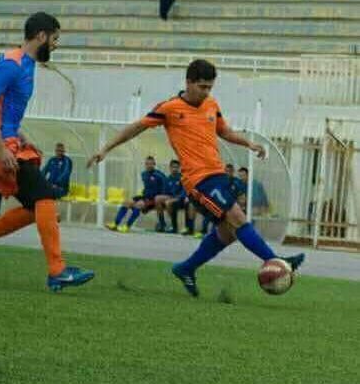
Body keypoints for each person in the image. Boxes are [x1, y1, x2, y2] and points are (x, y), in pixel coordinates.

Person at [88, 59, 304, 297]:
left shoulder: (211, 104)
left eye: (209, 87)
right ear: (188, 82)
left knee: (227, 233)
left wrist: (249, 143)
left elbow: (224, 131)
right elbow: (136, 127)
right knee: (237, 217)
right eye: (202, 87)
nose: (206, 92)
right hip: (198, 182)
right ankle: (277, 261)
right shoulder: (170, 108)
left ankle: (186, 268)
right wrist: (105, 149)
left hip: (217, 176)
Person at [0, 12, 94, 292]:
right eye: (55, 39)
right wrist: (1, 148)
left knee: (35, 208)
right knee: (45, 195)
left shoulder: (27, 66)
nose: (56, 45)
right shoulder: (11, 64)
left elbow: (6, 114)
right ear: (41, 36)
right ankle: (57, 271)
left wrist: (22, 137)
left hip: (9, 144)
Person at [106, 156, 167, 233]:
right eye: (147, 164)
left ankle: (127, 226)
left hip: (153, 199)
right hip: (145, 197)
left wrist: (160, 200)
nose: (148, 165)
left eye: (150, 164)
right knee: (126, 202)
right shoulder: (144, 174)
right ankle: (115, 224)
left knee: (138, 205)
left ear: (154, 164)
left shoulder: (159, 175)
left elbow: (165, 187)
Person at [156, 159, 196, 234]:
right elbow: (165, 192)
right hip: (172, 198)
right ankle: (162, 224)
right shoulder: (168, 179)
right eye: (173, 167)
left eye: (176, 167)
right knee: (157, 198)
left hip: (181, 199)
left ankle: (187, 228)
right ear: (170, 168)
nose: (175, 169)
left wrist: (176, 198)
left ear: (179, 168)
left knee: (171, 203)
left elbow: (184, 192)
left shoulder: (182, 178)